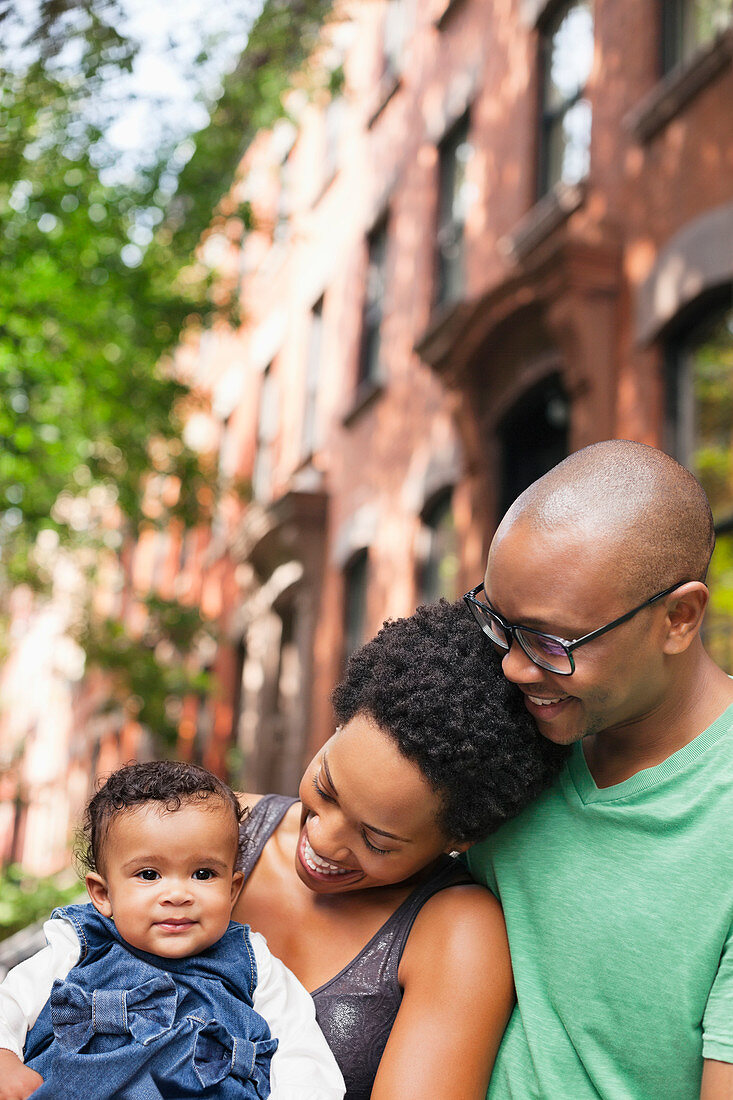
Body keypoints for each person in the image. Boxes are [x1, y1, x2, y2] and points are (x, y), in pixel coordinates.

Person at [462, 439, 733, 1100]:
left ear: (678, 617)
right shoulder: (493, 725)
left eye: (550, 642)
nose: (512, 667)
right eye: (498, 622)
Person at [232, 598, 566, 1099]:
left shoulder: (456, 934)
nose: (322, 840)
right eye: (326, 788)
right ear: (337, 725)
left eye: (376, 840)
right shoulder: (219, 829)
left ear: (461, 837)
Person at [0, 761, 345, 1100]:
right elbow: (11, 1001)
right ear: (103, 895)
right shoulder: (81, 943)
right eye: (149, 874)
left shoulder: (253, 961)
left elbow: (301, 1051)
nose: (179, 895)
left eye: (203, 874)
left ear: (232, 890)